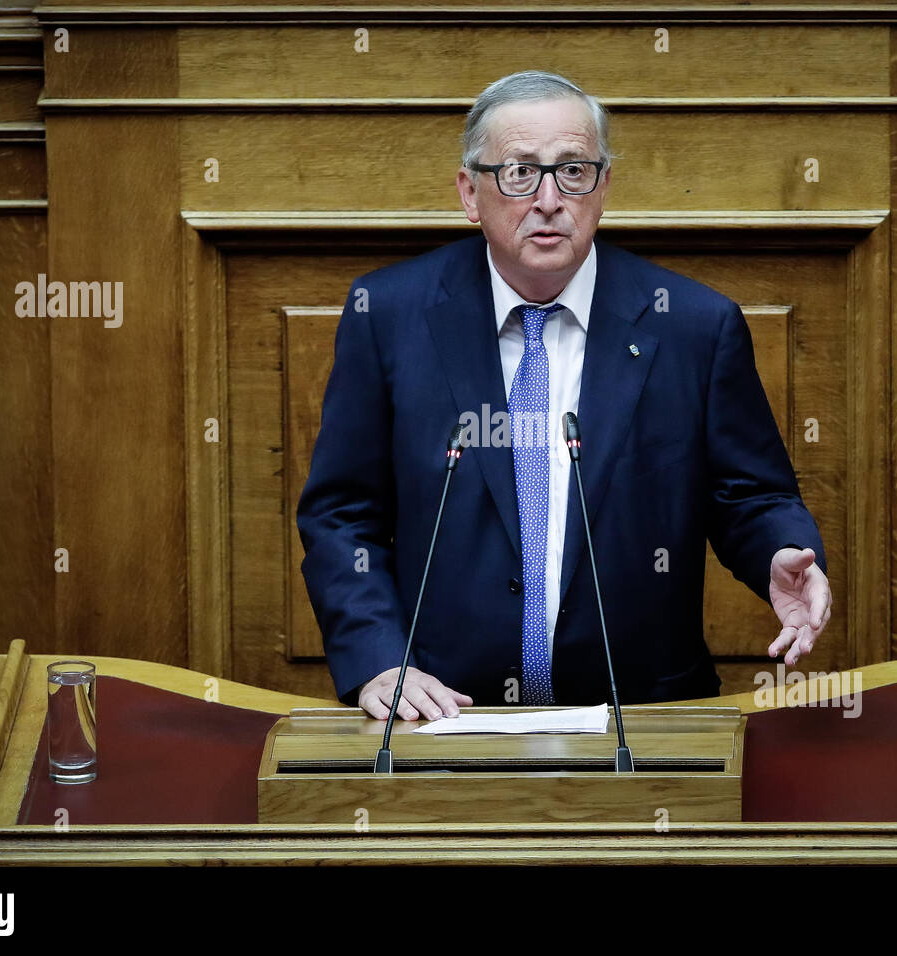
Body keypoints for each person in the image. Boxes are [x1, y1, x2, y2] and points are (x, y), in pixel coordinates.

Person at [297, 70, 832, 721]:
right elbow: (342, 513)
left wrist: (780, 549)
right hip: (441, 715)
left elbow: (751, 494)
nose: (549, 198)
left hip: (642, 718)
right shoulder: (388, 315)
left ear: (603, 187)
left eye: (574, 171)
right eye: (519, 173)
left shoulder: (692, 324)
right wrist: (379, 657)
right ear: (471, 192)